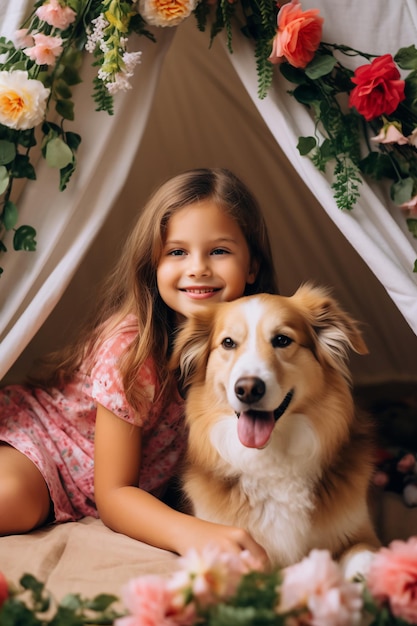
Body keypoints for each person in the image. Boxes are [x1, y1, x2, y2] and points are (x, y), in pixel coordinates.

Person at [0, 168, 278, 563]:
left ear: (251, 266)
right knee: (15, 500)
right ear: (153, 264)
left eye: (219, 251)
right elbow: (114, 493)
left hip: (119, 481)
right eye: (177, 252)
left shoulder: (261, 344)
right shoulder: (132, 349)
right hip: (46, 444)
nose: (198, 267)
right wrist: (194, 534)